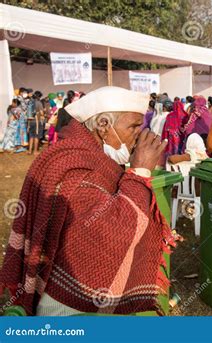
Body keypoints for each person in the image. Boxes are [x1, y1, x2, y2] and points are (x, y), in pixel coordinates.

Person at [0, 86, 174, 316]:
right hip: (70, 302)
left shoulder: (90, 157)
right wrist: (140, 171)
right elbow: (113, 231)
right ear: (103, 126)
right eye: (132, 126)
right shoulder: (76, 165)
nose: (138, 135)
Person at [27, 91, 44, 155]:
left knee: (31, 136)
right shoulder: (39, 103)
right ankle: (35, 151)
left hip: (30, 121)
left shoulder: (30, 102)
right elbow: (41, 113)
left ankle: (29, 150)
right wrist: (41, 113)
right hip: (37, 121)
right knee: (36, 136)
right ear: (39, 96)